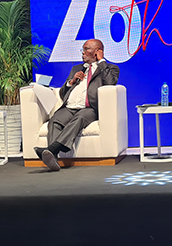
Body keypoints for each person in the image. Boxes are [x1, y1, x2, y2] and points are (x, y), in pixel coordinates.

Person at [34, 39, 120, 172]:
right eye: (83, 49)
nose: (83, 53)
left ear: (97, 51)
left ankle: (51, 150)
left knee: (79, 119)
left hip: (89, 108)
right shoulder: (77, 68)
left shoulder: (110, 68)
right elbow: (63, 94)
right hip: (69, 107)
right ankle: (53, 158)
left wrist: (101, 61)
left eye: (86, 49)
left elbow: (110, 82)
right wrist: (71, 81)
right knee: (55, 120)